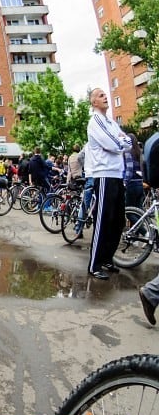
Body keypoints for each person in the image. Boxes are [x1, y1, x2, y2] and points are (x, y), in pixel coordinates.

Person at [86, 87, 132, 280]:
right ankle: (94, 264)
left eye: (105, 94)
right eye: (100, 95)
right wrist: (122, 143)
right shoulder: (95, 121)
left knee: (117, 220)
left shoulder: (111, 122)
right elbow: (113, 143)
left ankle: (107, 258)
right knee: (103, 220)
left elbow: (128, 141)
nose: (105, 97)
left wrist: (122, 142)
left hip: (117, 174)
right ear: (94, 102)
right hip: (104, 174)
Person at [124, 132, 144, 209]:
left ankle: (144, 222)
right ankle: (143, 221)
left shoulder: (128, 152)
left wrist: (125, 182)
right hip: (140, 183)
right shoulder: (139, 152)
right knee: (139, 210)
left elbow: (129, 168)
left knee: (129, 211)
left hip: (131, 184)